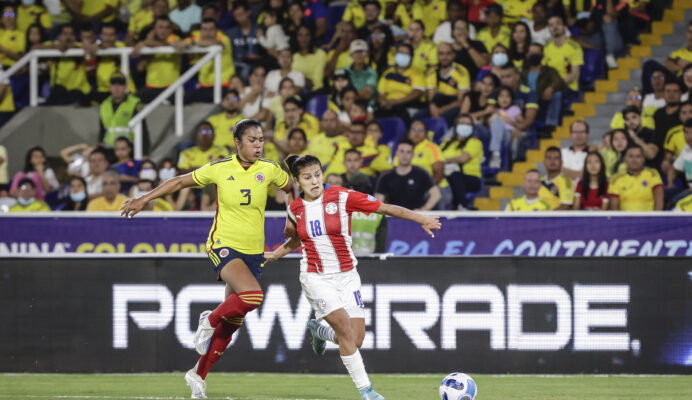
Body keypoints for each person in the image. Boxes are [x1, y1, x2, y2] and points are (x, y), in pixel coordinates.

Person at [120, 120, 292, 400]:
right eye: (252, 140)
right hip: (224, 246)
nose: (258, 145)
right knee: (253, 296)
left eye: (261, 139)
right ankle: (208, 320)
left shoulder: (270, 169)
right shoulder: (220, 168)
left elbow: (291, 187)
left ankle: (197, 375)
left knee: (232, 322)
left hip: (254, 252)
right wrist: (145, 198)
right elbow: (179, 181)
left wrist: (291, 215)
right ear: (238, 142)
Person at [264, 154, 441, 400]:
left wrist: (421, 218)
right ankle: (367, 392)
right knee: (345, 332)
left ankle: (320, 331)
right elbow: (295, 238)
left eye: (317, 174)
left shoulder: (342, 196)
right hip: (316, 276)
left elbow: (386, 208)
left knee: (355, 339)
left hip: (347, 276)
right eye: (307, 177)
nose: (314, 181)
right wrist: (275, 254)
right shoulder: (295, 208)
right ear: (297, 180)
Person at [375, 140, 440, 210]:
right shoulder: (386, 176)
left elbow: (436, 194)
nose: (405, 155)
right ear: (396, 153)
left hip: (415, 217)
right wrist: (387, 211)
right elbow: (378, 199)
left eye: (408, 152)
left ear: (413, 155)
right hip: (394, 217)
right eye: (402, 151)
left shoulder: (421, 173)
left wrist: (424, 209)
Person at [134, 17, 187, 103]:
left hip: (172, 88)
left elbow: (180, 46)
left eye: (167, 27)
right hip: (151, 88)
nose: (164, 30)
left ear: (171, 30)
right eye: (160, 27)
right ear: (154, 30)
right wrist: (146, 42)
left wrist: (147, 42)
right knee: (133, 102)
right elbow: (140, 68)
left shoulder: (175, 38)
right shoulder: (148, 45)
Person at [186, 18, 237, 103]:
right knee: (184, 100)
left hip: (224, 86)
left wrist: (191, 44)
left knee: (234, 99)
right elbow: (189, 56)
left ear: (216, 31)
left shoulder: (224, 39)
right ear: (201, 31)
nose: (208, 33)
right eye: (205, 29)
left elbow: (216, 43)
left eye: (211, 29)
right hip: (204, 87)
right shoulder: (198, 41)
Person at [441, 115, 484, 209]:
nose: (465, 126)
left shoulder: (475, 142)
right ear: (456, 126)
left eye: (468, 124)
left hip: (471, 178)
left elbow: (463, 158)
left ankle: (463, 206)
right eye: (462, 123)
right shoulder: (447, 142)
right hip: (446, 176)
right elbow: (437, 158)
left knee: (454, 174)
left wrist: (445, 160)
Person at [523, 43, 567, 134]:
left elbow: (560, 82)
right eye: (532, 53)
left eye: (537, 53)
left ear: (542, 56)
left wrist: (551, 88)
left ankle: (550, 124)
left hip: (544, 99)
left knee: (557, 94)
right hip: (528, 100)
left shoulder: (550, 71)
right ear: (527, 55)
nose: (534, 55)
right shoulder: (523, 73)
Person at [421, 43, 470, 123]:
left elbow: (461, 101)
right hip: (436, 104)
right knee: (418, 116)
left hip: (454, 105)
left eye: (448, 53)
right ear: (437, 56)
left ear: (454, 55)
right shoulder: (432, 72)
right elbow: (431, 98)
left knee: (446, 116)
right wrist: (433, 107)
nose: (444, 57)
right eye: (441, 54)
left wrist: (442, 110)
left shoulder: (462, 72)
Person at [375, 43, 425, 121]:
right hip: (388, 105)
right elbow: (380, 93)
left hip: (406, 105)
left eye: (405, 53)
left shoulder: (416, 73)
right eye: (400, 53)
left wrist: (395, 102)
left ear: (411, 57)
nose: (402, 55)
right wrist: (384, 103)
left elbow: (417, 92)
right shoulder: (388, 73)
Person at [44, 24, 90, 105]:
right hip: (58, 91)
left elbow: (92, 48)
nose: (68, 37)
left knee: (71, 95)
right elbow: (34, 48)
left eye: (71, 34)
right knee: (58, 90)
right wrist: (56, 47)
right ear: (59, 36)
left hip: (79, 90)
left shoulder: (80, 46)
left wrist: (71, 48)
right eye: (65, 34)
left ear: (75, 37)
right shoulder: (53, 45)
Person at [608, 146, 664, 211]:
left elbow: (659, 198)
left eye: (638, 156)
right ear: (624, 159)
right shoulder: (616, 178)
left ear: (644, 159)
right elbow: (614, 207)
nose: (634, 159)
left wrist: (656, 218)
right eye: (631, 156)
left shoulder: (652, 173)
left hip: (648, 219)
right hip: (625, 220)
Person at [98, 74, 143, 149]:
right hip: (108, 148)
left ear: (125, 87)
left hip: (128, 150)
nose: (116, 88)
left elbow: (143, 130)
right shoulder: (104, 104)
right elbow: (102, 129)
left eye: (120, 85)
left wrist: (144, 152)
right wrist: (100, 142)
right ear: (110, 87)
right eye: (114, 85)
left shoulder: (135, 103)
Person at [543, 15, 583, 94]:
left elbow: (573, 74)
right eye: (551, 25)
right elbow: (543, 71)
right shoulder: (546, 48)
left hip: (568, 87)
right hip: (550, 86)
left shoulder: (574, 47)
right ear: (549, 30)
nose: (555, 27)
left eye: (558, 24)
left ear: (565, 27)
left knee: (556, 95)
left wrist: (554, 87)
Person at [225, 1, 261, 81]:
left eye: (241, 14)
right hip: (237, 69)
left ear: (248, 12)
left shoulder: (259, 30)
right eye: (236, 15)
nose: (239, 18)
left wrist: (258, 57)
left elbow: (267, 52)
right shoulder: (230, 33)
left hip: (257, 68)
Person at [623, 106, 663, 172]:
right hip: (629, 174)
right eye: (627, 119)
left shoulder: (651, 133)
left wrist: (635, 138)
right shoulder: (624, 135)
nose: (631, 121)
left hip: (650, 172)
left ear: (640, 118)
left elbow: (651, 155)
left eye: (634, 117)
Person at [292, 25, 327, 90]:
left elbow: (316, 81)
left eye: (307, 35)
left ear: (311, 37)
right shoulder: (293, 55)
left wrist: (299, 79)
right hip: (293, 91)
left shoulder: (320, 54)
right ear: (296, 37)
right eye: (300, 35)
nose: (303, 38)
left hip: (314, 91)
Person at [346, 39, 378, 104]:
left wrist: (347, 97)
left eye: (362, 52)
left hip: (365, 108)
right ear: (351, 55)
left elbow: (367, 95)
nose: (359, 55)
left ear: (367, 54)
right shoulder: (344, 71)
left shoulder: (372, 73)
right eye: (356, 52)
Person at [653, 81, 684, 146]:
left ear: (681, 94)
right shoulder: (658, 113)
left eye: (675, 91)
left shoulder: (686, 112)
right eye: (668, 91)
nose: (671, 94)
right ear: (663, 94)